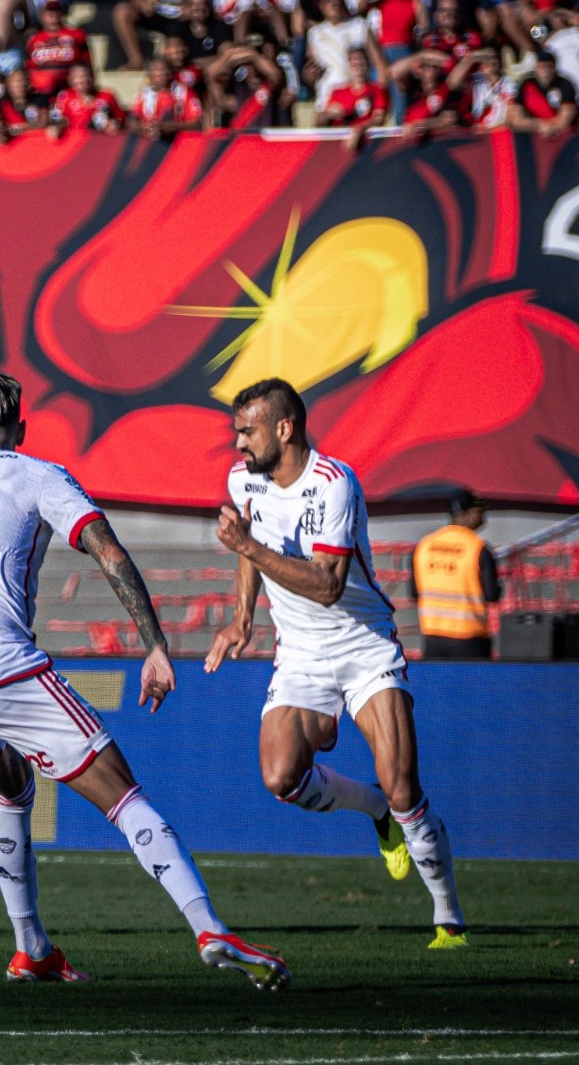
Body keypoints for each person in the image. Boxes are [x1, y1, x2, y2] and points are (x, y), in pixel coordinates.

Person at [0, 371, 290, 987]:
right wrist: (155, 646)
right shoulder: (36, 473)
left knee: (11, 787)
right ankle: (209, 927)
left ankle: (32, 949)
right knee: (121, 793)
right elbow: (109, 553)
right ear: (21, 429)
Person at [206, 378, 467, 951]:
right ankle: (372, 808)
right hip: (301, 654)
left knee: (404, 788)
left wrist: (248, 547)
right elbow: (251, 543)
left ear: (284, 428)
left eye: (247, 432)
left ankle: (448, 916)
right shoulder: (243, 480)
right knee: (281, 778)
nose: (239, 444)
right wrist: (242, 619)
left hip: (363, 646)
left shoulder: (334, 483)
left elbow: (327, 586)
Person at [411, 490, 501, 660]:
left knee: (436, 678)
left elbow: (415, 592)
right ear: (468, 513)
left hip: (433, 637)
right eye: (480, 510)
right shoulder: (478, 547)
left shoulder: (424, 545)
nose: (484, 515)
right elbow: (492, 594)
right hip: (470, 637)